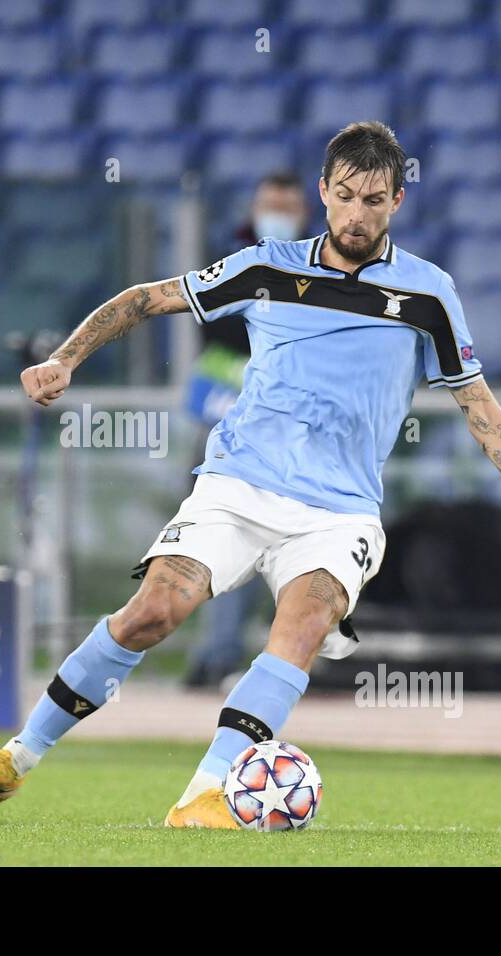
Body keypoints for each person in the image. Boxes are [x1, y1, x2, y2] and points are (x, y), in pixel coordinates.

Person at [0, 121, 501, 827]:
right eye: (344, 196)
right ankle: (16, 761)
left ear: (398, 201)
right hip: (237, 483)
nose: (356, 214)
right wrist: (67, 359)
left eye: (373, 200)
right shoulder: (268, 266)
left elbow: (483, 412)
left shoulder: (428, 296)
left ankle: (203, 794)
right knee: (154, 612)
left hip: (339, 509)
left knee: (306, 619)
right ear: (323, 191)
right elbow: (144, 297)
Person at [184, 171, 310, 688]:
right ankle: (216, 656)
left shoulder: (318, 261)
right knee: (219, 547)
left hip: (289, 434)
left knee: (282, 555)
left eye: (285, 204)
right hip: (220, 425)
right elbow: (216, 322)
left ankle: (254, 660)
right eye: (268, 203)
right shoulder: (230, 257)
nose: (275, 212)